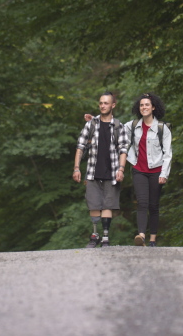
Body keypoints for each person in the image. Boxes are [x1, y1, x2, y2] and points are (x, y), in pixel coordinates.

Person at [73, 92, 128, 248]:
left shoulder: (118, 126)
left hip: (112, 172)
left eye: (106, 103)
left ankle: (105, 237)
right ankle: (95, 235)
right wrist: (76, 168)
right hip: (92, 171)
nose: (103, 105)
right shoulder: (91, 124)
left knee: (108, 205)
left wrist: (121, 169)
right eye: (101, 103)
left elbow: (123, 149)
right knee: (94, 205)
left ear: (113, 105)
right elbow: (80, 147)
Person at [124, 93, 172, 247]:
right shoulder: (132, 126)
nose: (144, 107)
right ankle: (142, 236)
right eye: (141, 105)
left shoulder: (162, 128)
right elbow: (117, 133)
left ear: (153, 107)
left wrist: (164, 174)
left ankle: (152, 239)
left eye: (147, 105)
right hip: (139, 170)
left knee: (153, 205)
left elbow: (168, 153)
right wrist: (95, 121)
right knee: (142, 203)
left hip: (156, 171)